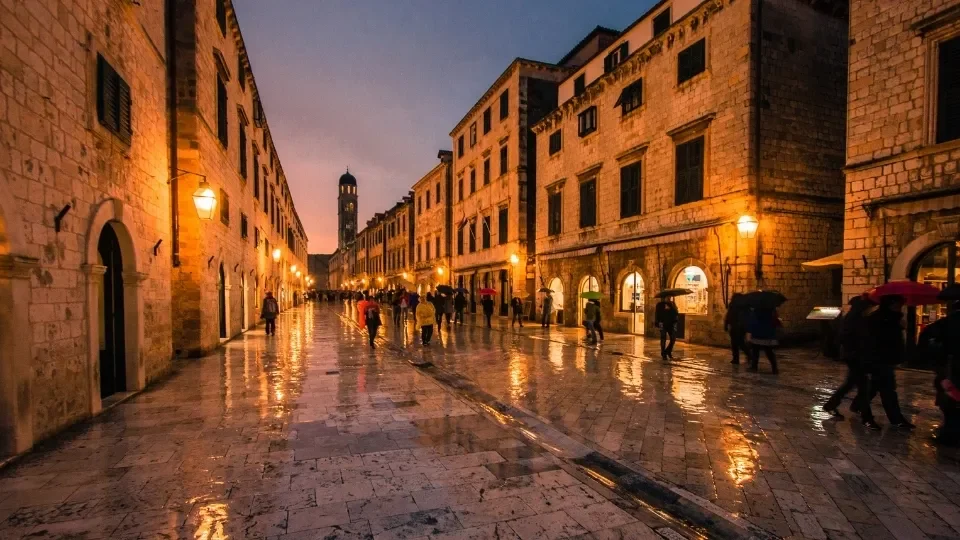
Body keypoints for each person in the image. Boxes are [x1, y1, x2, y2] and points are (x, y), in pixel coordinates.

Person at [857, 295, 913, 430]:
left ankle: (895, 419)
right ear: (891, 304)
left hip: (886, 360)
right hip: (876, 360)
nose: (900, 307)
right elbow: (873, 341)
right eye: (898, 304)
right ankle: (871, 417)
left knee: (881, 389)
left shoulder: (895, 319)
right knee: (883, 390)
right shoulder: (876, 319)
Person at [918, 298, 960, 445]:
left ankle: (950, 431)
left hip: (949, 366)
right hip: (952, 366)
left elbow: (925, 336)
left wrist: (932, 359)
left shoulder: (946, 323)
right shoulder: (949, 323)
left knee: (949, 398)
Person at [822, 296, 872, 417]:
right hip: (855, 355)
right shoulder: (854, 319)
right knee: (859, 386)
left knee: (853, 384)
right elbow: (851, 338)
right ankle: (866, 416)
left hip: (854, 355)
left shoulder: (854, 318)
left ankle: (832, 405)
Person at [746, 307, 779, 374]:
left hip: (758, 332)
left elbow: (752, 321)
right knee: (769, 351)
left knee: (755, 351)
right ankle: (774, 368)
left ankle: (754, 367)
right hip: (768, 332)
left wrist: (749, 332)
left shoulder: (756, 310)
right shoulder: (771, 309)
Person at [724, 294, 749, 364]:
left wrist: (726, 324)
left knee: (736, 343)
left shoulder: (733, 305)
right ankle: (746, 356)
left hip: (735, 327)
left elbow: (728, 315)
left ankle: (736, 358)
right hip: (741, 327)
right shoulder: (744, 306)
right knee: (740, 343)